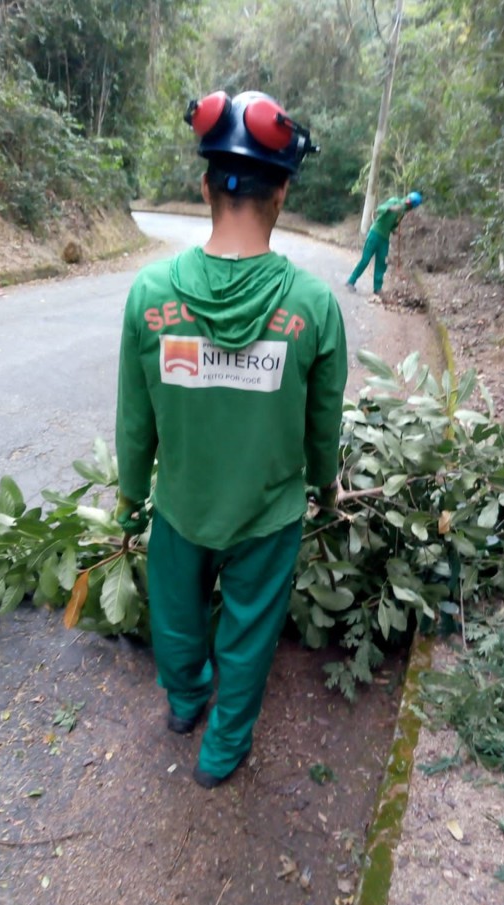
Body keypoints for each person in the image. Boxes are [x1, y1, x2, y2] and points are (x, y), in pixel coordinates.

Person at [113, 91, 348, 789]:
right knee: (246, 640)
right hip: (267, 517)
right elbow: (322, 427)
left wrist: (132, 502)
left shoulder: (149, 294)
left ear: (206, 184)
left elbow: (134, 420)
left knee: (179, 618)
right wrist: (326, 490)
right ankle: (222, 749)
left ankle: (185, 704)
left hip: (182, 507)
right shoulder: (312, 306)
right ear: (280, 195)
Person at [345, 191, 423, 296]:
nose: (409, 207)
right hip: (375, 234)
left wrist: (395, 232)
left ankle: (377, 288)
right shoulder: (394, 201)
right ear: (408, 200)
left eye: (411, 206)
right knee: (365, 259)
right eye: (409, 204)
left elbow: (393, 225)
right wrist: (391, 208)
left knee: (382, 263)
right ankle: (351, 281)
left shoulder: (402, 212)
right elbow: (379, 210)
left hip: (384, 239)